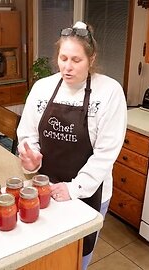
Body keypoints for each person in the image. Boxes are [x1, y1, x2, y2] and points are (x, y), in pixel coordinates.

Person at [17, 21, 127, 269]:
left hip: (87, 193)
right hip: (44, 188)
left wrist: (74, 189)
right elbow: (27, 134)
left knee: (76, 260)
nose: (67, 67)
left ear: (92, 58)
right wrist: (31, 156)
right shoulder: (42, 88)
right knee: (43, 257)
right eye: (63, 57)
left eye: (76, 60)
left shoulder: (109, 92)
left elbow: (106, 153)